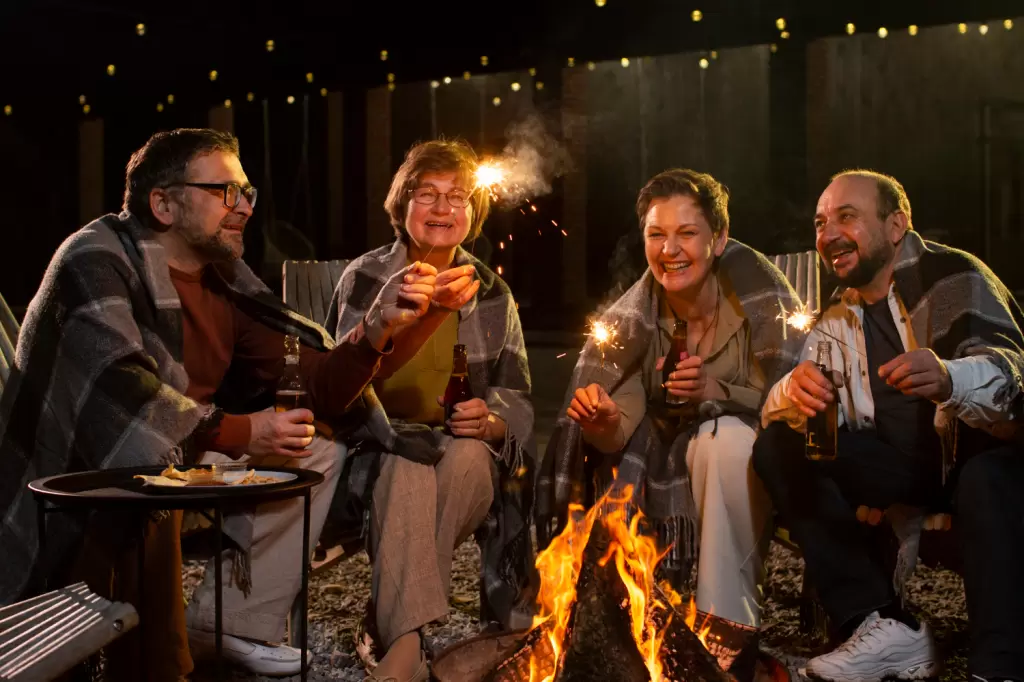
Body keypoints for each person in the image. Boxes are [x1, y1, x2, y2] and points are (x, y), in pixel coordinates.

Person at [0, 128, 436, 680]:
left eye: (248, 192)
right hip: (74, 471)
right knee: (147, 482)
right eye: (225, 192)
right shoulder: (93, 260)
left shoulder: (226, 278)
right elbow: (120, 396)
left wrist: (374, 331)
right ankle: (159, 662)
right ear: (162, 203)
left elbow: (314, 381)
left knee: (318, 452)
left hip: (182, 453)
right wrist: (240, 432)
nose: (246, 208)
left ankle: (232, 626)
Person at [754, 169, 1024, 682]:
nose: (828, 233)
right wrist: (792, 391)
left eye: (847, 217)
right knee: (777, 446)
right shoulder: (834, 312)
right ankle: (883, 624)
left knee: (985, 478)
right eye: (820, 222)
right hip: (904, 465)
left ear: (897, 225)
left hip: (979, 455)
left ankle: (999, 666)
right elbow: (776, 405)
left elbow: (1012, 378)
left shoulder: (953, 277)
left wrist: (948, 378)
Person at [535, 169, 805, 676]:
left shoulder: (761, 306)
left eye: (687, 233)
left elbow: (790, 397)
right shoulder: (633, 322)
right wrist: (601, 418)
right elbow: (619, 428)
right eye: (656, 234)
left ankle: (725, 632)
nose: (669, 249)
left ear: (719, 238)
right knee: (701, 442)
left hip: (770, 462)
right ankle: (662, 623)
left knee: (719, 437)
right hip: (668, 465)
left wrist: (717, 394)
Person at [326, 138, 535, 682]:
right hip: (373, 446)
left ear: (474, 211)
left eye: (457, 196)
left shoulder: (491, 291)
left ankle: (389, 625)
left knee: (467, 457)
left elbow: (515, 396)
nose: (443, 208)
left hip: (459, 451)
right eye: (427, 194)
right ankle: (406, 642)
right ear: (402, 206)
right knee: (409, 462)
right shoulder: (367, 278)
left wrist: (491, 422)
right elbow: (335, 382)